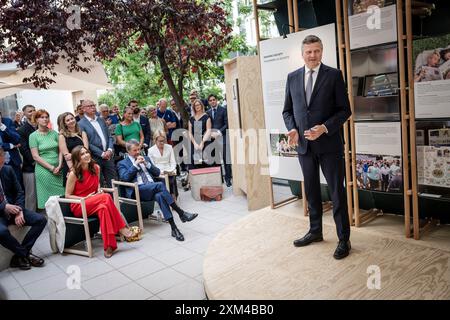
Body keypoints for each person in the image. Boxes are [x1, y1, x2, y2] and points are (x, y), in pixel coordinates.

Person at [282, 35, 352, 259]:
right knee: (311, 192)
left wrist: (324, 127)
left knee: (337, 193)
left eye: (317, 51)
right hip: (304, 147)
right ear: (302, 54)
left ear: (322, 51)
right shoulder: (292, 78)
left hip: (330, 145)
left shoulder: (334, 75)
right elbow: (287, 111)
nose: (313, 55)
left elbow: (344, 110)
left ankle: (344, 239)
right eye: (309, 52)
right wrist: (292, 128)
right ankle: (315, 232)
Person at [65, 146, 139, 258]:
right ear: (77, 158)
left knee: (104, 208)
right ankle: (123, 229)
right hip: (80, 205)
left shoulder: (96, 168)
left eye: (87, 152)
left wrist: (98, 190)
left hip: (96, 201)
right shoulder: (73, 173)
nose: (86, 155)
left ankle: (109, 247)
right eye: (82, 154)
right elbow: (67, 195)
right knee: (105, 197)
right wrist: (84, 198)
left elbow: (96, 186)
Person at [117, 139, 198, 241]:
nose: (138, 152)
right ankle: (181, 213)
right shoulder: (122, 163)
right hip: (138, 190)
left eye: (138, 149)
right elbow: (124, 178)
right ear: (128, 151)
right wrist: (135, 165)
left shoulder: (145, 158)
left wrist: (147, 164)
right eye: (134, 150)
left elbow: (157, 172)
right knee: (160, 185)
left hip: (152, 188)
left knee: (160, 196)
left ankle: (174, 229)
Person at [0, 147, 47, 270]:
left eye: (1, 161)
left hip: (15, 209)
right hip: (1, 214)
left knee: (41, 220)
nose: (1, 165)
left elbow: (19, 192)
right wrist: (4, 206)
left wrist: (19, 210)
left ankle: (18, 257)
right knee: (2, 232)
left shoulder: (7, 169)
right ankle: (25, 254)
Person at [29, 109, 65, 210]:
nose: (45, 119)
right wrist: (52, 168)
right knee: (50, 201)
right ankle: (52, 224)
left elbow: (60, 150)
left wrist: (60, 165)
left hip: (59, 169)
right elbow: (35, 156)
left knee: (63, 196)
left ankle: (65, 223)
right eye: (42, 117)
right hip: (44, 171)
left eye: (46, 117)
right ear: (36, 120)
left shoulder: (54, 133)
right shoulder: (33, 136)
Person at [78, 100, 117, 188]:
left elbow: (109, 136)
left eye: (93, 105)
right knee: (99, 183)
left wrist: (110, 150)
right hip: (95, 158)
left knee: (113, 181)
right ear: (83, 109)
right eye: (89, 106)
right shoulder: (81, 124)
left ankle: (116, 201)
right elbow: (87, 143)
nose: (92, 107)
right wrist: (101, 153)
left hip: (108, 156)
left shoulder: (101, 119)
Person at [206, 94, 232, 187]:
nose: (212, 101)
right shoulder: (208, 112)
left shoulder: (223, 110)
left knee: (226, 159)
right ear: (209, 102)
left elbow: (227, 124)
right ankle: (219, 179)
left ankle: (228, 178)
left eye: (214, 100)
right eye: (210, 100)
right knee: (216, 160)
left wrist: (219, 133)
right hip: (212, 139)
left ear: (216, 100)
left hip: (223, 137)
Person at [58, 112, 89, 187]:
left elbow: (86, 150)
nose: (71, 121)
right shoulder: (62, 136)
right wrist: (73, 171)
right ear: (65, 123)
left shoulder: (82, 133)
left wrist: (72, 155)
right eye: (68, 120)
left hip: (84, 164)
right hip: (71, 166)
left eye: (72, 118)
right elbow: (67, 157)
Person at [148, 130, 179, 201]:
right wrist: (161, 172)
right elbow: (152, 165)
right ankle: (166, 199)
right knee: (163, 180)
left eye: (163, 140)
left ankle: (173, 197)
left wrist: (172, 170)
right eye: (160, 141)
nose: (162, 143)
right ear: (155, 140)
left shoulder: (169, 147)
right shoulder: (150, 150)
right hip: (158, 171)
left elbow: (173, 162)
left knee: (172, 178)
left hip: (169, 169)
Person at [17, 105, 37, 211]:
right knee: (31, 196)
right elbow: (24, 150)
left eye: (34, 110)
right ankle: (31, 219)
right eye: (30, 111)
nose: (33, 112)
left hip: (45, 166)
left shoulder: (41, 126)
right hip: (31, 167)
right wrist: (35, 162)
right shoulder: (21, 130)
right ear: (24, 114)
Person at [0, 111, 23, 188]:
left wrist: (3, 127)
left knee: (19, 186)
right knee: (6, 189)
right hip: (1, 163)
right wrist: (11, 146)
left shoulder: (7, 121)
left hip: (13, 161)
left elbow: (17, 139)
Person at [188, 99, 212, 169]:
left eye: (198, 104)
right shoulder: (191, 119)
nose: (197, 106)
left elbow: (208, 131)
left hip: (205, 140)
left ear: (201, 105)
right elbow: (190, 132)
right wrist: (195, 143)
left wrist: (202, 142)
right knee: (194, 161)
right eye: (195, 105)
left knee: (204, 160)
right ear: (194, 107)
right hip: (194, 141)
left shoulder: (206, 117)